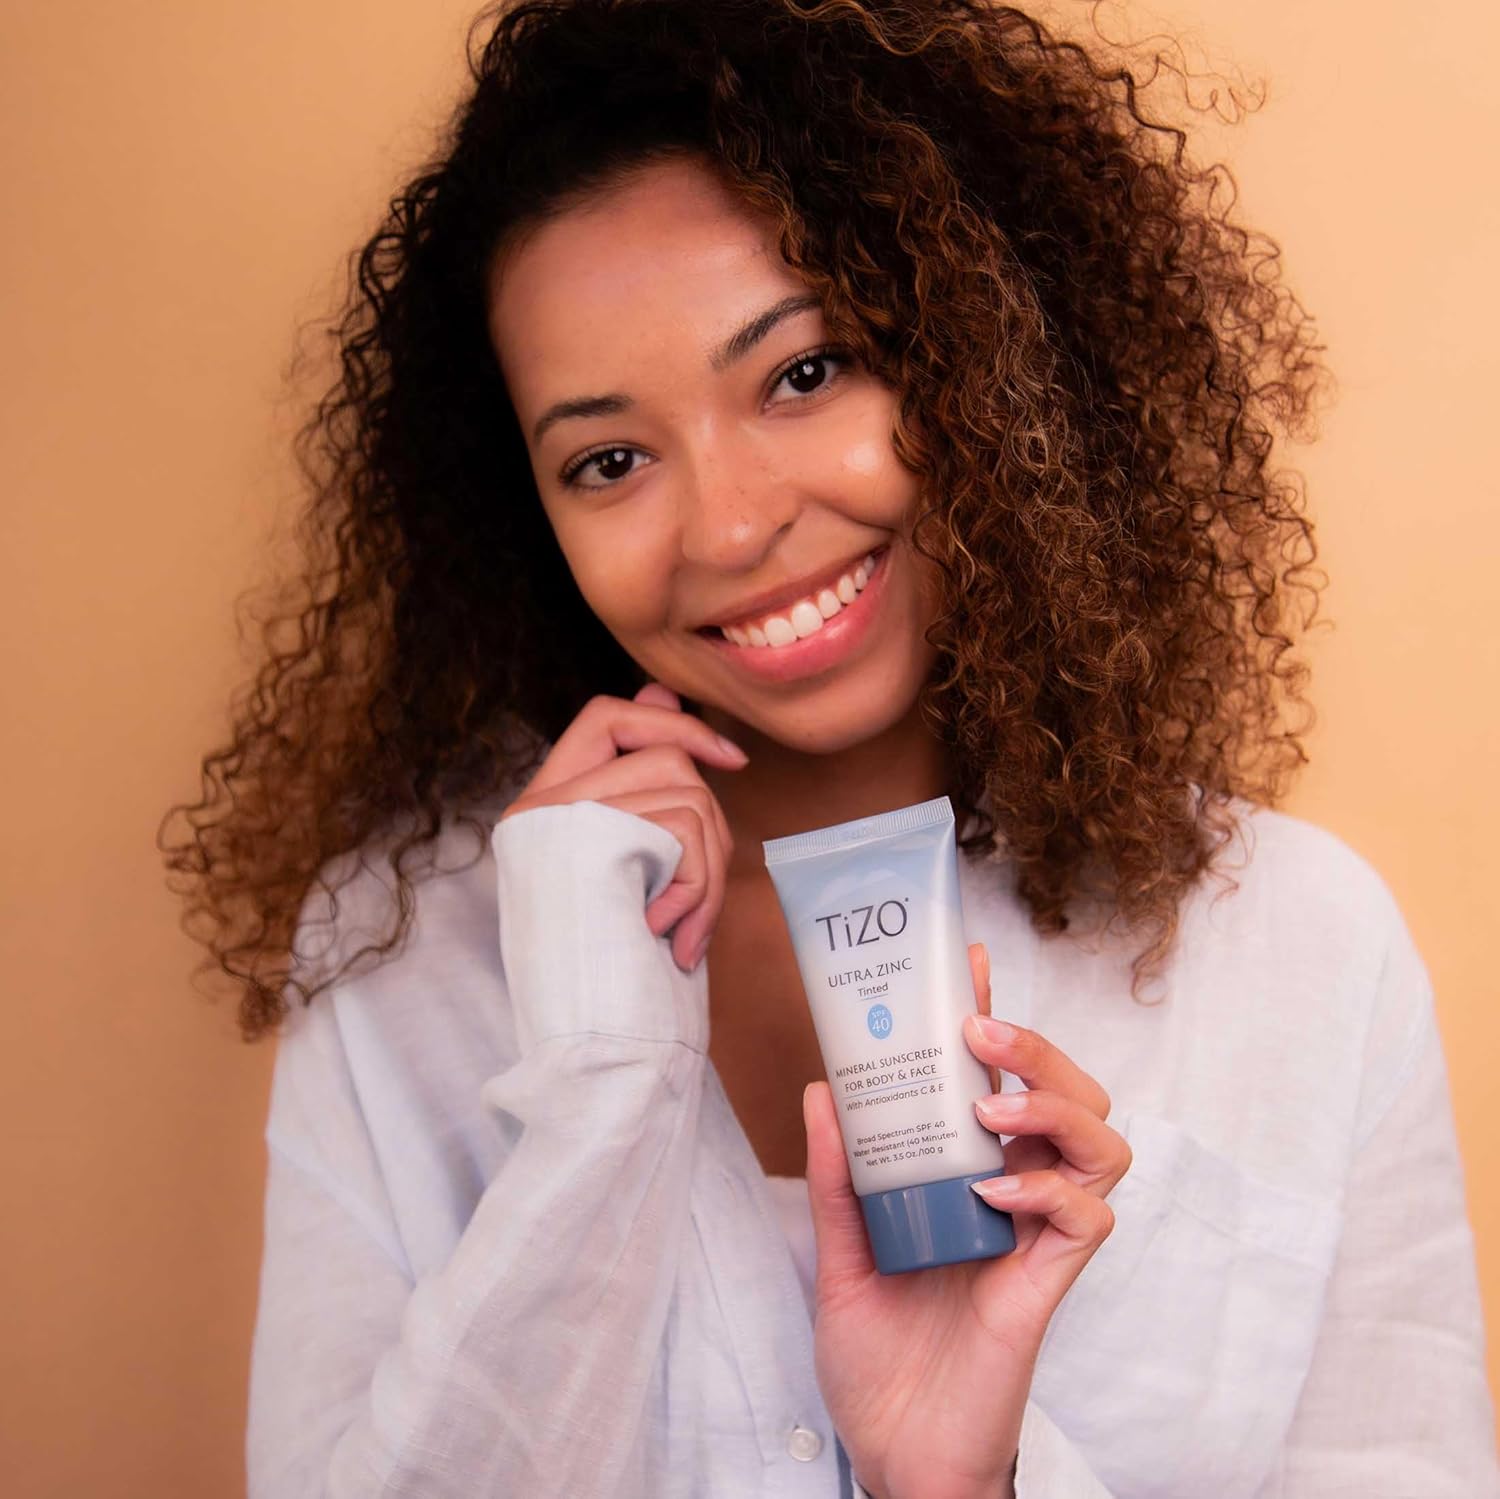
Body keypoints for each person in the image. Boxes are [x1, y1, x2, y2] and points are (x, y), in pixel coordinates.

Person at [158, 0, 1499, 1494]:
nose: (732, 527)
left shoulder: (1295, 950)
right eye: (610, 460)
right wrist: (598, 1096)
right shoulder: (404, 957)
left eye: (803, 374)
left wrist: (965, 1484)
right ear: (523, 521)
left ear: (984, 365)